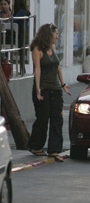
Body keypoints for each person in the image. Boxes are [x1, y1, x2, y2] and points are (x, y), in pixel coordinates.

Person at [28, 23, 72, 162]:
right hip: (44, 89)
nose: (58, 37)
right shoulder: (37, 49)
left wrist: (63, 84)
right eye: (56, 34)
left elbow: (58, 67)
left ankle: (54, 150)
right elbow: (38, 69)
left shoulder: (53, 48)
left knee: (57, 119)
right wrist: (38, 89)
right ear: (48, 34)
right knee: (43, 117)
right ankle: (36, 146)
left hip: (56, 89)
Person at [13, 0, 31, 75]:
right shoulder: (25, 11)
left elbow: (13, 21)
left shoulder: (21, 12)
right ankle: (22, 70)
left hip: (19, 36)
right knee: (22, 54)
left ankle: (22, 71)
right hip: (22, 36)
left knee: (21, 53)